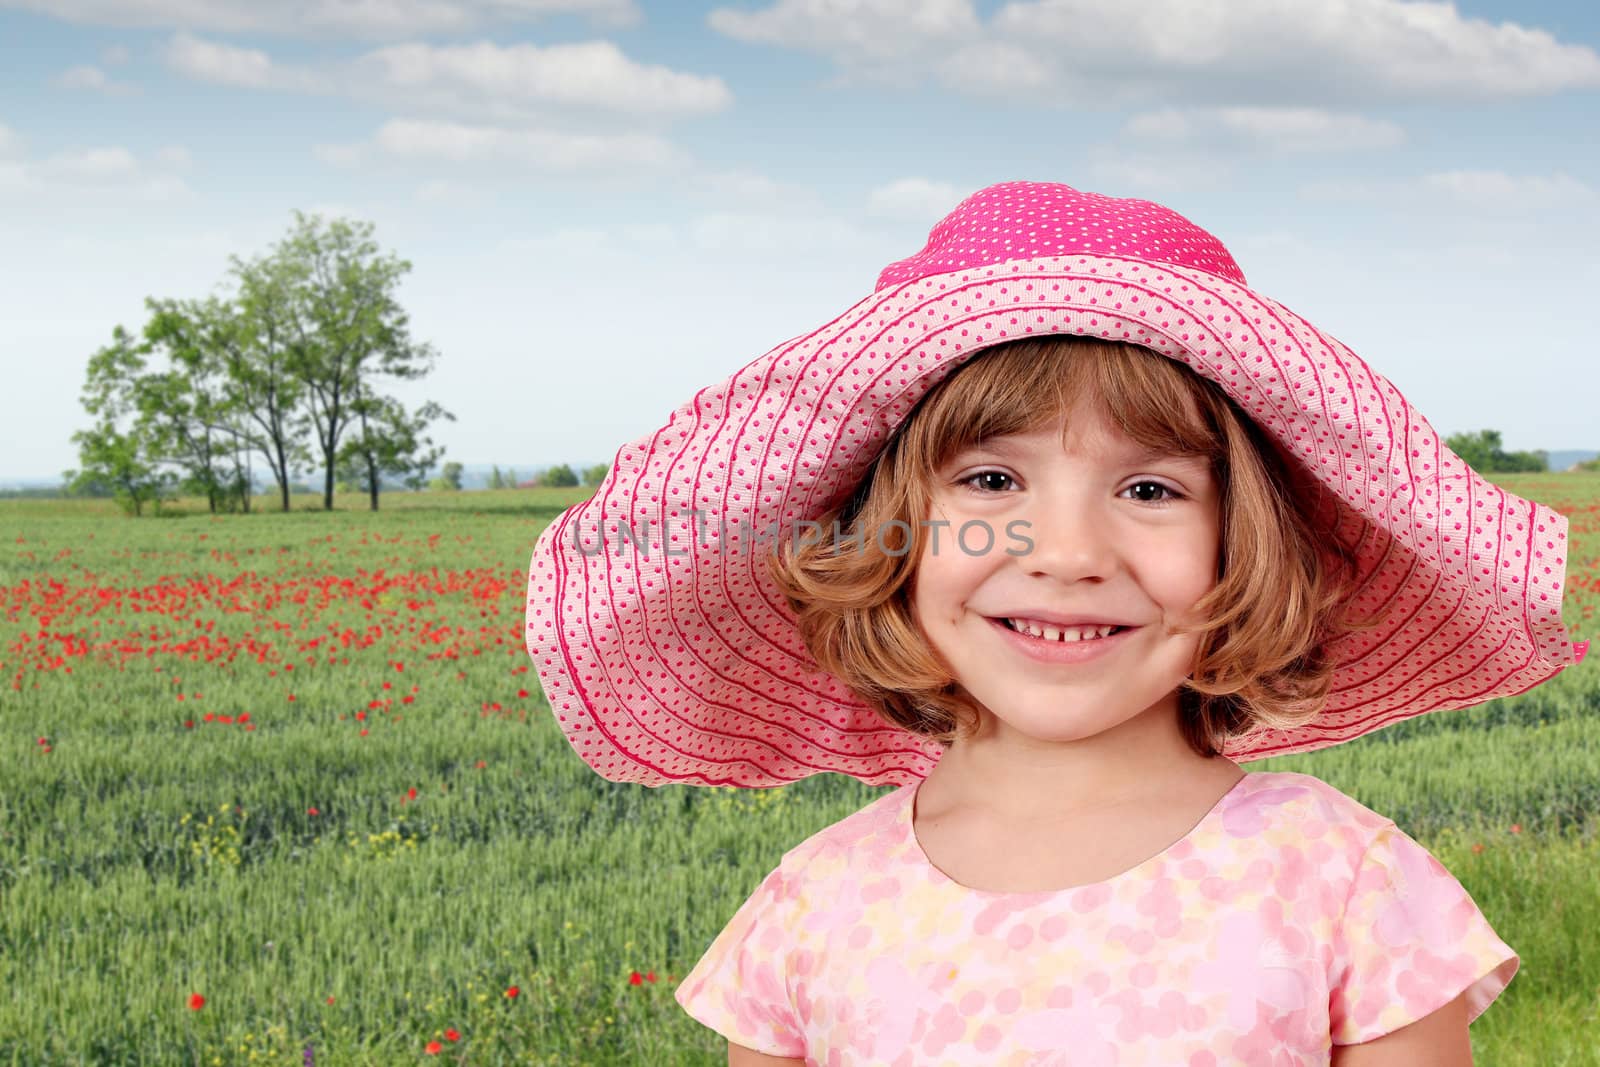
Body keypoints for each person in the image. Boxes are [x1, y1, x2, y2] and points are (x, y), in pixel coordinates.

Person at [523, 181, 1587, 1064]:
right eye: (990, 478)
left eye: (1150, 490)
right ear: (885, 541)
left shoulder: (1342, 880)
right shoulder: (809, 910)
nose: (1068, 551)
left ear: (1244, 542)